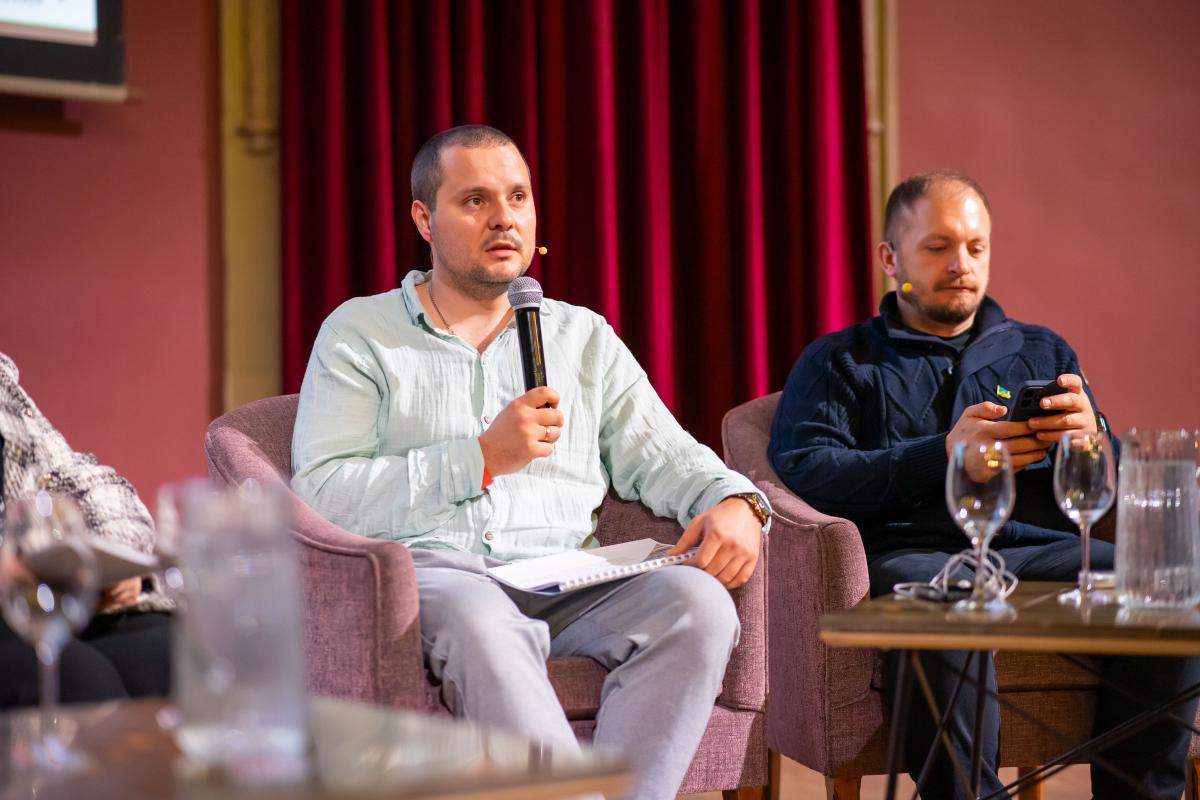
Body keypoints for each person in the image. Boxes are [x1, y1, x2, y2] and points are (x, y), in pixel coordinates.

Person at [291, 124, 771, 800]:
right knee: (485, 617)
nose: (504, 218)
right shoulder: (362, 333)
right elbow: (323, 493)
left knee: (699, 604)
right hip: (436, 576)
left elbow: (666, 455)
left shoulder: (581, 336)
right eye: (475, 200)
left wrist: (735, 501)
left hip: (566, 579)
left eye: (517, 197)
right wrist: (480, 458)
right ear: (424, 219)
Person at [769, 170, 1200, 800]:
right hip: (916, 553)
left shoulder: (1043, 351)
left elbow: (1099, 483)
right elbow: (807, 470)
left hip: (1039, 550)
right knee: (948, 599)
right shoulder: (841, 360)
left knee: (1167, 588)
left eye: (976, 247)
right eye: (938, 247)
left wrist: (1090, 438)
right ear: (891, 258)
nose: (961, 265)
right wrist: (942, 455)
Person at [0, 352, 172, 709]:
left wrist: (114, 555)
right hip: (15, 606)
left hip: (42, 594)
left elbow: (75, 476)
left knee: (175, 653)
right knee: (79, 679)